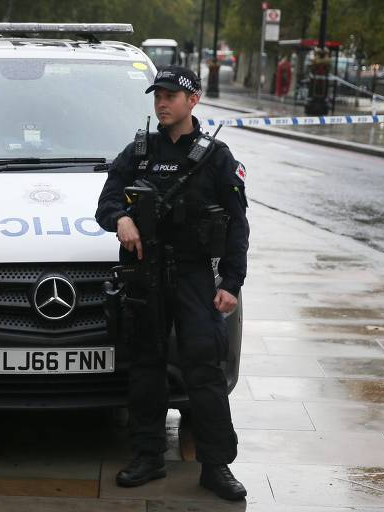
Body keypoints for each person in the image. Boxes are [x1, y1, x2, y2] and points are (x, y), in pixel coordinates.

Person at [96, 65, 250, 501]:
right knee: (146, 366)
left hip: (195, 275)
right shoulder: (138, 152)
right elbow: (106, 201)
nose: (161, 103)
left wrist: (231, 284)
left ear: (193, 100)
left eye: (170, 96)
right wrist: (121, 218)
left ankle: (216, 465)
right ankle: (147, 457)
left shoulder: (216, 156)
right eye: (157, 96)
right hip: (145, 273)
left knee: (204, 367)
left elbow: (238, 226)